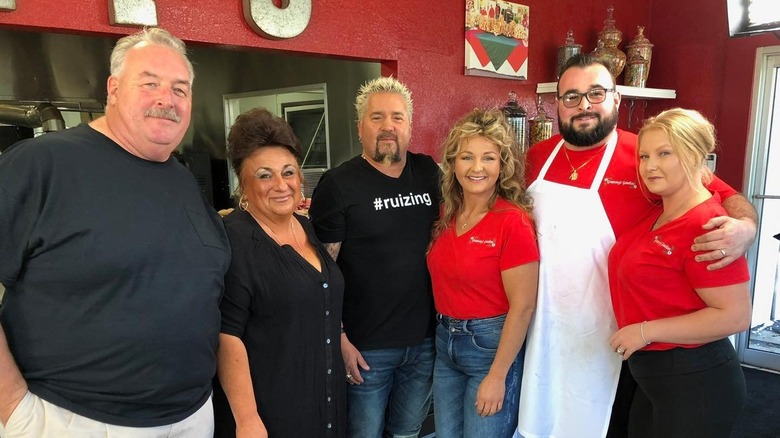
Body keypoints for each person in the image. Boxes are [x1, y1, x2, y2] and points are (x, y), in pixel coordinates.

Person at [0, 28, 230, 437]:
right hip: (73, 418)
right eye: (149, 83)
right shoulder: (41, 165)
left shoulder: (181, 181)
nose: (167, 99)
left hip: (192, 415)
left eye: (180, 89)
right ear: (113, 88)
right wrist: (13, 405)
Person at [515, 54, 757, 438]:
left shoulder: (645, 155)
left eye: (596, 93)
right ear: (556, 103)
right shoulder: (535, 158)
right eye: (571, 96)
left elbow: (721, 196)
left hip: (620, 337)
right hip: (545, 328)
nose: (584, 106)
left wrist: (746, 225)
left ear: (616, 99)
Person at [309, 77, 440, 438]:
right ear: (360, 127)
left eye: (397, 118)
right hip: (365, 348)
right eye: (377, 117)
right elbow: (322, 271)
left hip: (424, 342)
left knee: (408, 433)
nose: (387, 126)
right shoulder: (338, 185)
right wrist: (338, 336)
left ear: (410, 126)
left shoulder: (429, 173)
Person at [608, 108, 751, 437]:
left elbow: (735, 316)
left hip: (696, 378)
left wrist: (644, 331)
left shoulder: (708, 225)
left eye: (664, 153)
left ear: (695, 155)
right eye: (644, 155)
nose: (650, 165)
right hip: (655, 376)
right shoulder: (659, 211)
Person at [212, 108, 346, 438]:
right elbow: (226, 336)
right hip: (271, 411)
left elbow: (319, 295)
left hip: (324, 400)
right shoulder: (234, 241)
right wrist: (247, 418)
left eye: (288, 172)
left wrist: (342, 340)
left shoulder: (304, 227)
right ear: (243, 184)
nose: (281, 185)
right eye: (264, 175)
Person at [427, 109, 539, 437]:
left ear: (502, 165)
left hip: (489, 348)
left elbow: (523, 307)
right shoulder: (448, 212)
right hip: (445, 341)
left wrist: (498, 375)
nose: (477, 168)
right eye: (467, 157)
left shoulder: (512, 221)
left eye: (488, 158)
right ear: (452, 163)